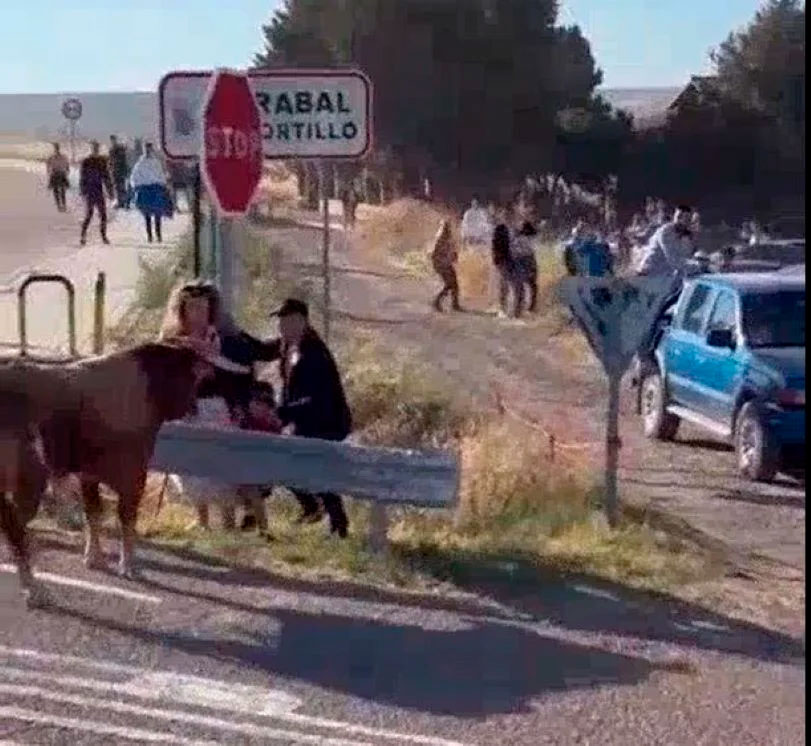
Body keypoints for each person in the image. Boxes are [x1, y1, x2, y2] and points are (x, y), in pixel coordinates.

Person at [159, 281, 250, 531]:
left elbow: (239, 371)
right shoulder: (173, 340)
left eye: (202, 308)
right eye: (192, 308)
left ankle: (229, 520)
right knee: (190, 466)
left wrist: (214, 370)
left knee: (222, 463)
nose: (198, 314)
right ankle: (202, 519)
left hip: (216, 408)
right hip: (187, 409)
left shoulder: (223, 339)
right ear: (182, 311)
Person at [269, 298, 353, 538]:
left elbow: (316, 398)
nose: (282, 326)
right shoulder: (288, 346)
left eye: (287, 320)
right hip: (305, 420)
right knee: (292, 465)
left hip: (327, 421)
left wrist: (283, 413)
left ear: (302, 321)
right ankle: (318, 511)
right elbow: (260, 350)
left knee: (315, 471)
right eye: (281, 321)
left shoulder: (313, 352)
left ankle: (336, 523)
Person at [233, 379, 283, 537]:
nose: (256, 407)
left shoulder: (272, 425)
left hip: (262, 469)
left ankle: (263, 529)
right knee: (250, 497)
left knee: (256, 497)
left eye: (261, 404)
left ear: (268, 407)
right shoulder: (245, 422)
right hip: (245, 468)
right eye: (254, 403)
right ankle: (256, 524)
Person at [130, 142, 173, 243]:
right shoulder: (140, 164)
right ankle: (150, 236)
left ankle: (158, 235)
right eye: (146, 149)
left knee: (158, 213)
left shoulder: (156, 162)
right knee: (147, 214)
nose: (148, 151)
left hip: (155, 188)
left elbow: (160, 174)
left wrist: (163, 184)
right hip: (145, 189)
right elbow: (134, 176)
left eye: (149, 149)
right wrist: (136, 186)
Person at [635, 205, 696, 277]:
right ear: (674, 217)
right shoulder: (665, 232)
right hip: (648, 275)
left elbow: (689, 257)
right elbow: (673, 260)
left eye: (686, 219)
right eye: (679, 217)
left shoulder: (687, 236)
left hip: (665, 276)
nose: (681, 221)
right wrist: (697, 266)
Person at [78, 140, 113, 246]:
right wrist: (83, 190)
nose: (95, 149)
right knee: (89, 214)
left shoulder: (102, 161)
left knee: (103, 215)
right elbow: (82, 177)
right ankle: (83, 235)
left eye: (97, 147)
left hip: (98, 190)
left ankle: (103, 236)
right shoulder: (86, 161)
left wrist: (110, 190)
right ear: (91, 148)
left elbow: (106, 177)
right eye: (94, 147)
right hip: (90, 190)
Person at [430, 219, 461, 312]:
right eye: (447, 227)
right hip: (442, 265)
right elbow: (434, 254)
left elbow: (452, 252)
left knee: (454, 285)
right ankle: (437, 301)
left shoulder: (448, 239)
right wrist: (441, 262)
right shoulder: (440, 239)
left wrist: (453, 256)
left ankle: (454, 304)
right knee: (449, 284)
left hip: (446, 264)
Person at [512, 221, 539, 316]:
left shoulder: (518, 239)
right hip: (527, 260)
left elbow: (514, 250)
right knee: (532, 285)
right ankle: (530, 307)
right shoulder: (529, 239)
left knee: (521, 286)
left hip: (520, 260)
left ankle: (520, 309)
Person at [491, 212, 515, 317]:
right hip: (503, 259)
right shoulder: (500, 229)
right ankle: (503, 308)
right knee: (504, 284)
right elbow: (495, 245)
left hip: (506, 259)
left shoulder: (506, 229)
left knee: (506, 284)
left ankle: (505, 308)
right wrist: (496, 258)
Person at [45, 143, 69, 212]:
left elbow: (67, 165)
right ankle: (61, 205)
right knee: (59, 191)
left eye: (56, 148)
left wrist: (49, 172)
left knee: (60, 191)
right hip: (58, 174)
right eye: (56, 148)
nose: (56, 149)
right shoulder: (54, 157)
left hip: (59, 174)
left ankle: (62, 205)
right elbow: (48, 165)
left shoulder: (60, 157)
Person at [109, 135, 130, 209]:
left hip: (120, 170)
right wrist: (110, 168)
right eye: (112, 140)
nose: (113, 141)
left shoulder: (119, 148)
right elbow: (111, 161)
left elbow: (123, 159)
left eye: (113, 140)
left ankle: (124, 202)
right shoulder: (112, 149)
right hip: (115, 171)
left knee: (121, 187)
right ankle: (121, 202)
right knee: (117, 187)